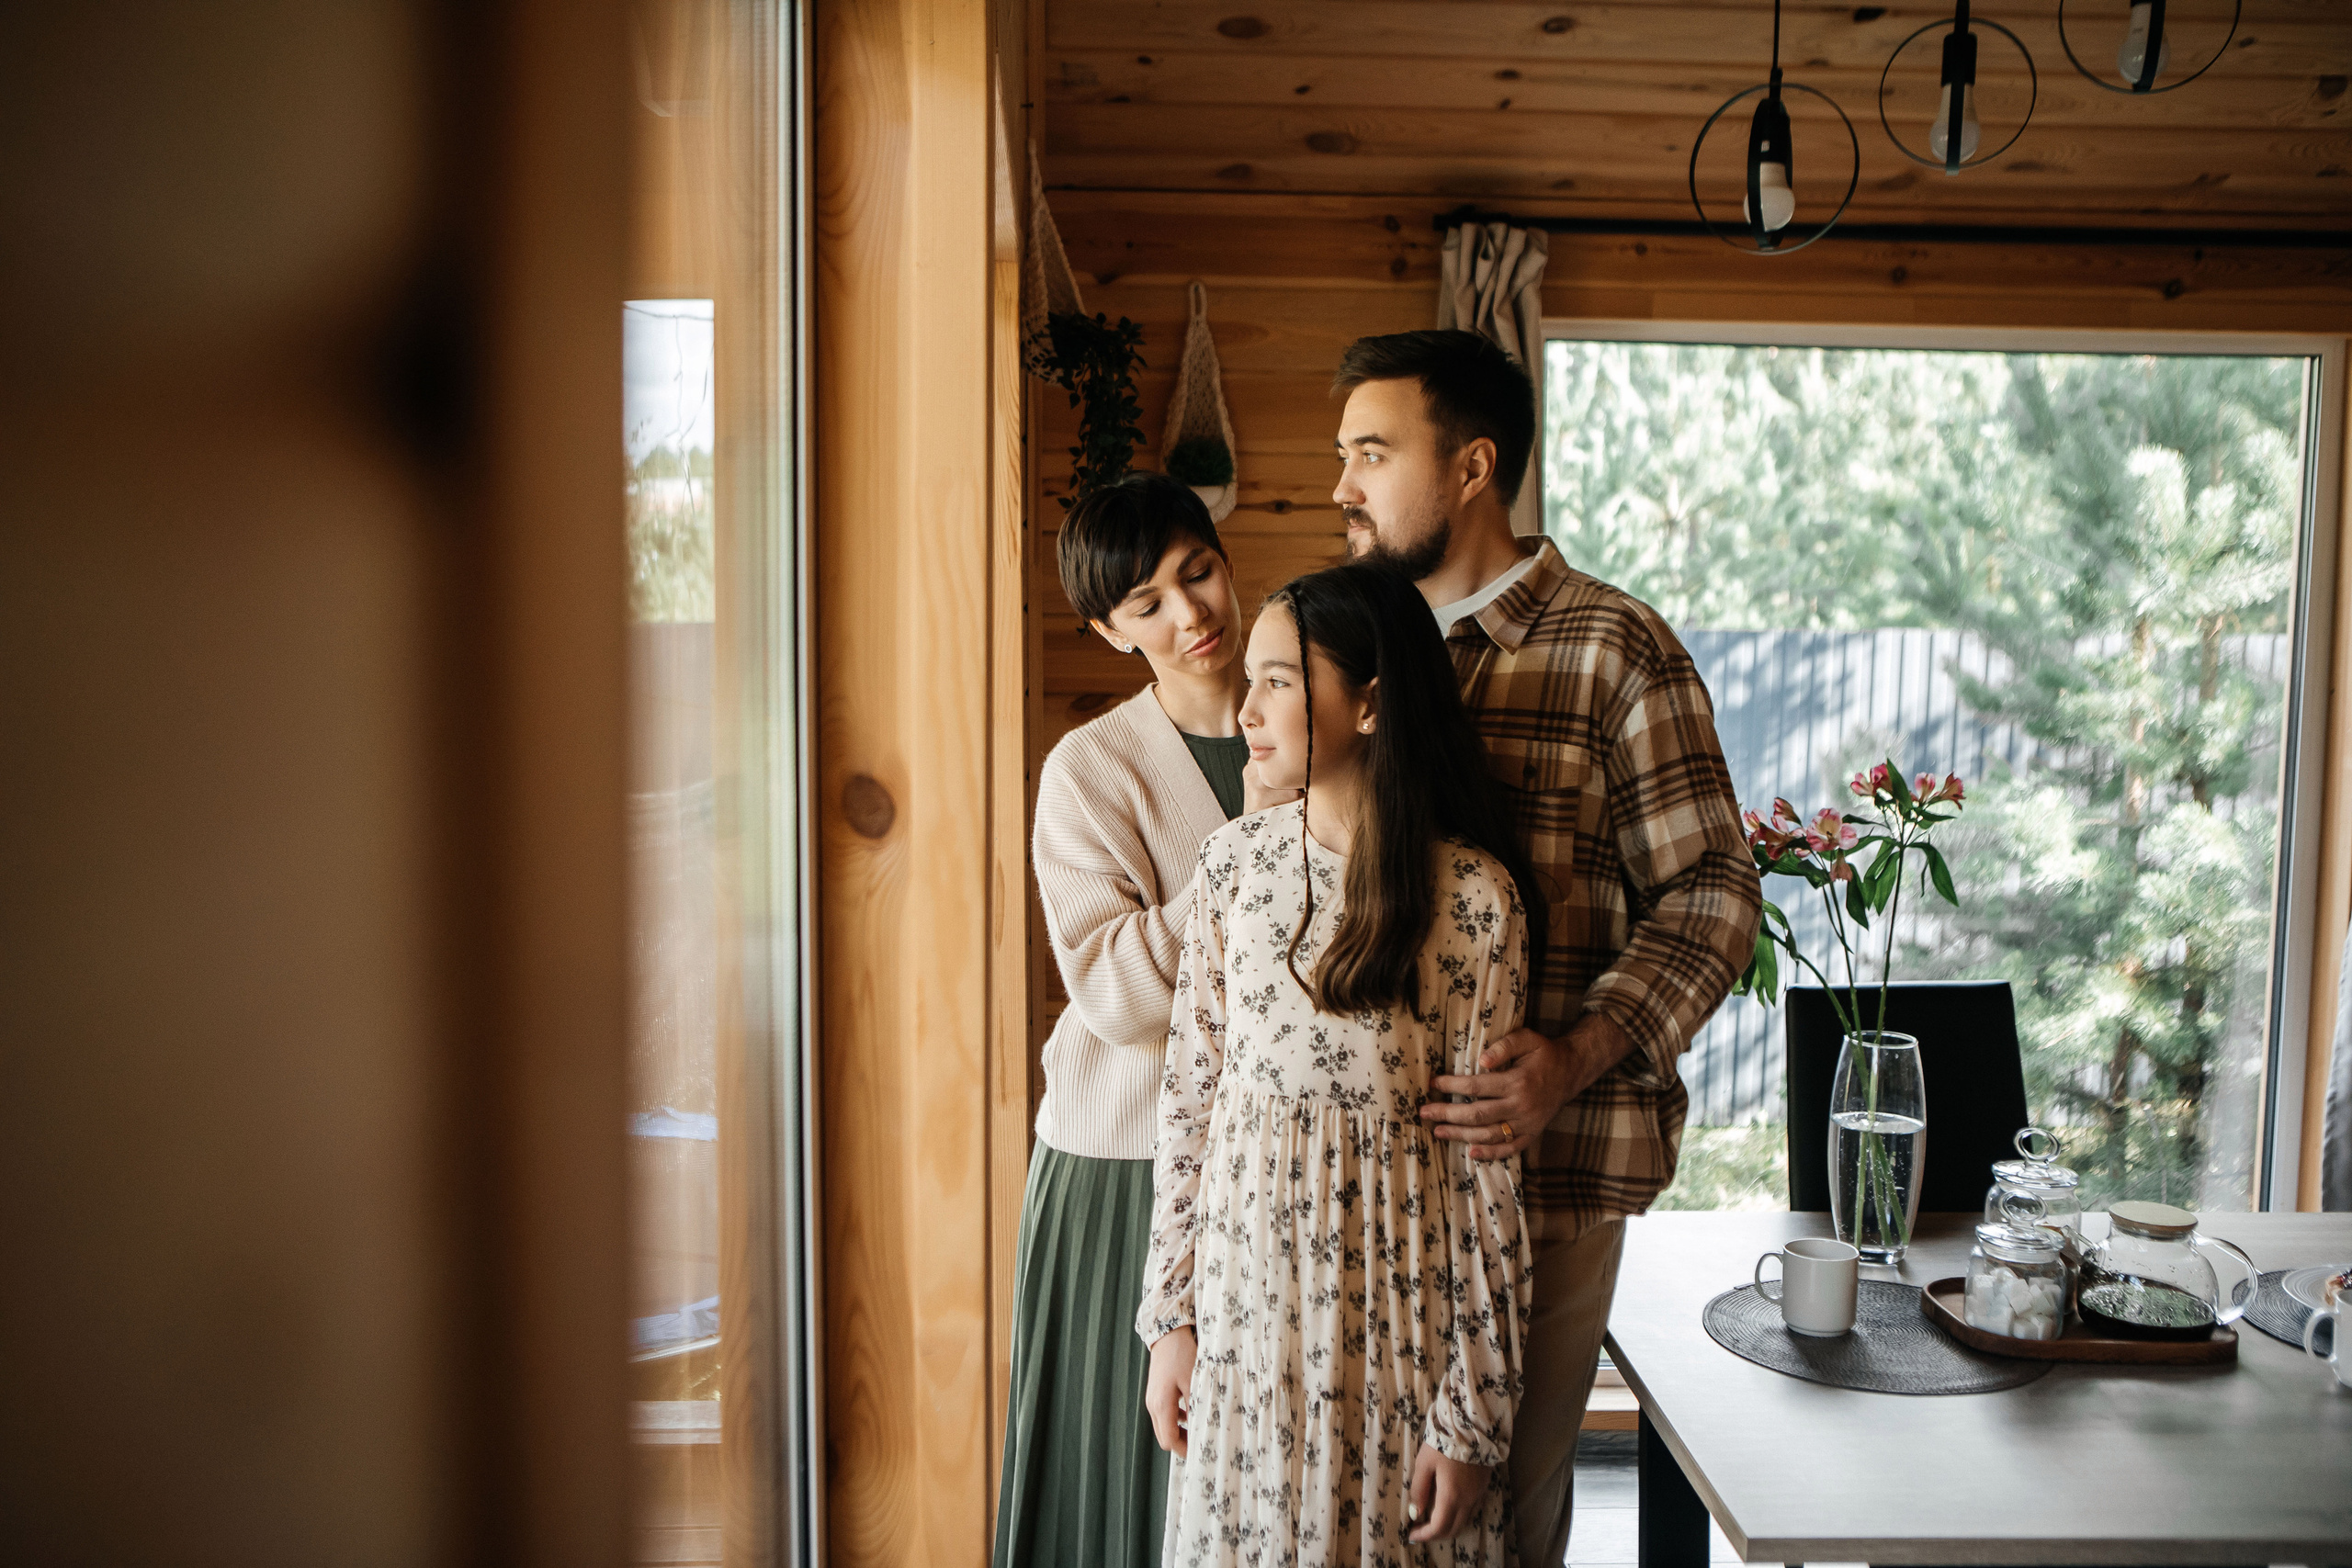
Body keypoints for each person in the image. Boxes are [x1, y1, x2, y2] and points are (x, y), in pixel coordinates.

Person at [1329, 329, 1763, 1568]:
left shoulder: (1614, 646)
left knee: (1501, 1519)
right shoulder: (1350, 646)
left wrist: (1572, 1056)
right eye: (1342, 453)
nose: (1343, 485)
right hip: (1359, 1190)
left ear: (1471, 465)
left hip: (1552, 1174)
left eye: (1372, 451)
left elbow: (1717, 891)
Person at [1138, 562, 1550, 1567]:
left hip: (1394, 1333)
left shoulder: (1474, 903)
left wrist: (1472, 1414)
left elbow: (1486, 1176)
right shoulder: (1233, 868)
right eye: (1254, 677)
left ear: (1369, 702)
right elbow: (1190, 1108)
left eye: (1281, 679)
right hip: (1240, 1330)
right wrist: (1169, 1322)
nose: (1247, 705)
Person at [996, 472, 1291, 1568]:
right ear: (1106, 633)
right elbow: (1115, 995)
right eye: (1148, 605)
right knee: (1122, 1488)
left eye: (1197, 573)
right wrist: (1249, 842)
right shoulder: (1087, 770)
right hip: (1123, 1168)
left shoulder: (1319, 719)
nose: (1192, 616)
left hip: (1275, 1160)